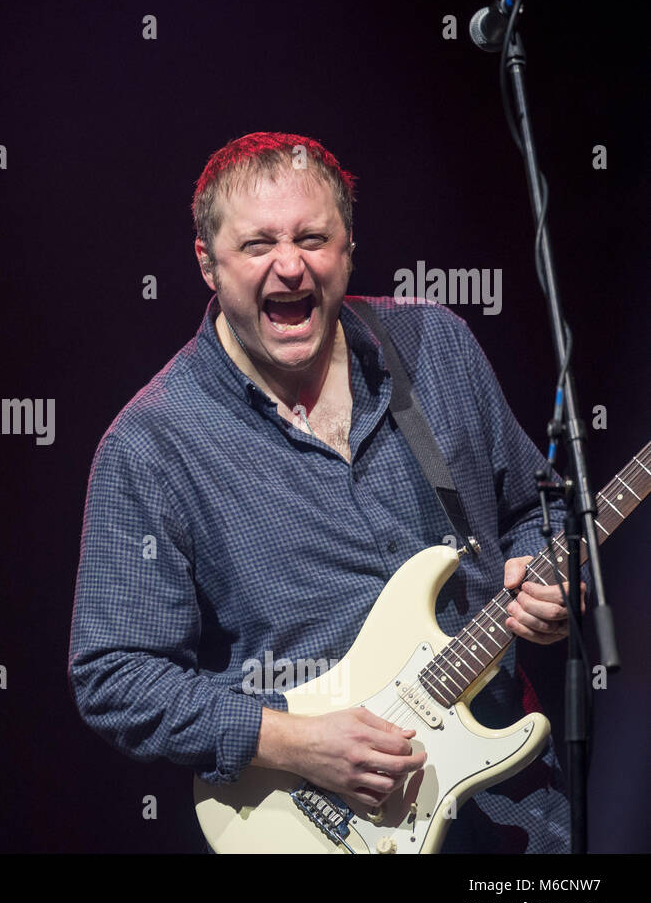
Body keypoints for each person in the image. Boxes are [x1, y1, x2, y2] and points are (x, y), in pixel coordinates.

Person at [69, 132, 578, 853]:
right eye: (256, 245)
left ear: (347, 249)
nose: (290, 265)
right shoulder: (152, 444)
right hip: (323, 824)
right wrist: (293, 743)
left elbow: (535, 509)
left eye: (314, 237)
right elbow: (114, 675)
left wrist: (549, 578)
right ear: (206, 264)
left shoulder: (436, 347)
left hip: (516, 811)